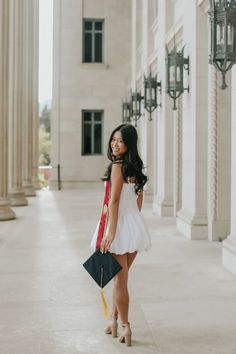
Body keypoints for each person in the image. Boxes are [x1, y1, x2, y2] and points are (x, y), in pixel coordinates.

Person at [90, 123, 151, 346]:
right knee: (120, 279)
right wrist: (135, 221)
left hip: (118, 227)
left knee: (120, 280)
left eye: (120, 141)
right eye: (113, 139)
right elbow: (139, 199)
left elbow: (114, 201)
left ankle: (125, 327)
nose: (115, 144)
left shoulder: (117, 166)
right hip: (134, 225)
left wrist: (111, 232)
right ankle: (113, 321)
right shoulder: (135, 167)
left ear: (129, 144)